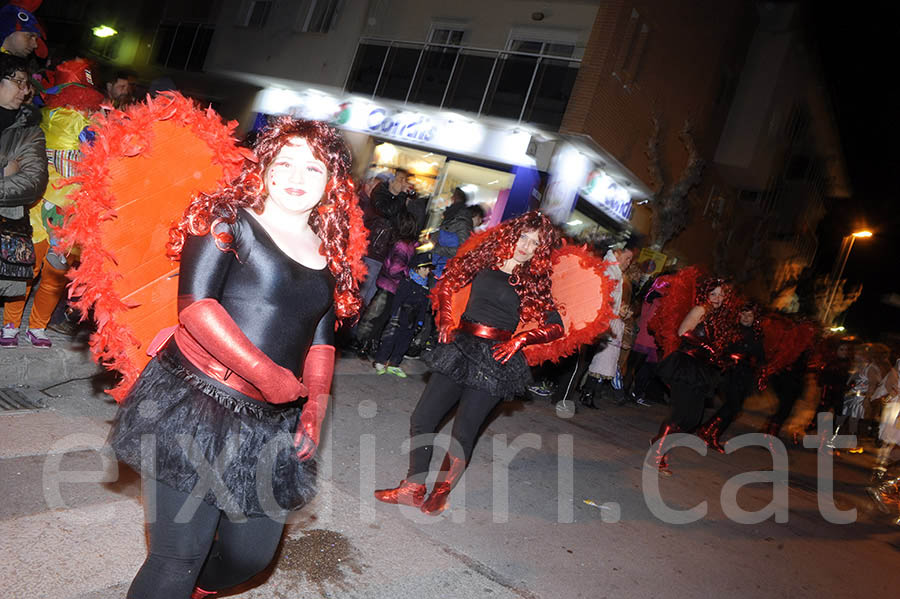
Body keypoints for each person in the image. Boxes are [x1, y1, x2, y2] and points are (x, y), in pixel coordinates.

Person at [107, 117, 364, 599]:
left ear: (332, 181)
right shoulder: (226, 218)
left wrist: (313, 408)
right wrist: (271, 377)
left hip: (272, 421)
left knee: (251, 557)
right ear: (263, 165)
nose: (296, 176)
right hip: (195, 403)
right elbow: (197, 308)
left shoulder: (331, 254)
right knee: (177, 558)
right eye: (284, 161)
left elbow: (321, 341)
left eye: (312, 167)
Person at [374, 211, 564, 514]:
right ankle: (413, 487)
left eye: (535, 243)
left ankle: (441, 490)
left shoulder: (534, 282)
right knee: (423, 418)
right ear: (512, 235)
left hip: (496, 359)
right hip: (460, 347)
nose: (526, 246)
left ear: (540, 249)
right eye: (524, 237)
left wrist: (520, 340)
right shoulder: (485, 260)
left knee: (464, 430)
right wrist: (447, 318)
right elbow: (448, 283)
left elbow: (556, 326)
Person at [1, 58, 102, 347]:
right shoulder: (45, 119)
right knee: (27, 268)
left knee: (54, 274)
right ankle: (11, 324)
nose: (79, 103)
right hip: (39, 207)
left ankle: (37, 326)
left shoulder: (95, 124)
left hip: (73, 213)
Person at [651, 276, 735, 474]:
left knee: (693, 419)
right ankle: (657, 456)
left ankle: (659, 441)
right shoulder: (701, 310)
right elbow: (683, 332)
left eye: (721, 294)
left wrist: (721, 356)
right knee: (680, 413)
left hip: (702, 371)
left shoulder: (719, 318)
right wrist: (706, 346)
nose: (717, 298)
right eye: (713, 293)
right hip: (685, 366)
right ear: (705, 294)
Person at [0, 53, 47, 327]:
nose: (25, 90)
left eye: (27, 83)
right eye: (18, 81)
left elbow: (32, 182)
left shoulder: (30, 132)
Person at [695, 302, 765, 452]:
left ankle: (710, 432)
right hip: (729, 373)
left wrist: (757, 367)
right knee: (732, 405)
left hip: (744, 375)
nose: (746, 318)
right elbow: (720, 349)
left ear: (755, 318)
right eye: (743, 314)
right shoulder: (731, 330)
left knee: (735, 408)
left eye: (749, 315)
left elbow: (759, 357)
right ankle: (709, 432)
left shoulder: (757, 336)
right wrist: (731, 357)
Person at [355, 209, 418, 356]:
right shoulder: (404, 246)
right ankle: (365, 344)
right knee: (376, 317)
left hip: (389, 286)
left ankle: (367, 344)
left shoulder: (404, 245)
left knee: (378, 317)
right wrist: (410, 273)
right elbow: (395, 269)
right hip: (389, 286)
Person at [580, 242, 636, 408]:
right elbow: (601, 298)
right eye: (627, 258)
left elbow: (613, 301)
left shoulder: (617, 273)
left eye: (630, 260)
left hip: (608, 322)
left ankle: (587, 393)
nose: (629, 263)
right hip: (598, 322)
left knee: (599, 358)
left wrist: (621, 311)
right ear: (617, 254)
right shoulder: (609, 271)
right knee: (589, 358)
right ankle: (581, 392)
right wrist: (617, 312)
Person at [372, 252, 434, 378]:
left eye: (428, 268)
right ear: (417, 268)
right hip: (401, 314)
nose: (427, 271)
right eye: (425, 268)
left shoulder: (425, 286)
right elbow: (398, 300)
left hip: (413, 318)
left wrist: (420, 322)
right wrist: (394, 315)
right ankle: (380, 360)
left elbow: (423, 306)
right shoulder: (407, 282)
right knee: (390, 339)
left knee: (404, 342)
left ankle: (394, 363)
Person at [431, 187, 484, 277]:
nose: (480, 222)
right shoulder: (465, 225)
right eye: (480, 218)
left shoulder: (457, 218)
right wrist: (437, 248)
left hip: (440, 263)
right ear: (476, 215)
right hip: (445, 266)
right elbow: (462, 251)